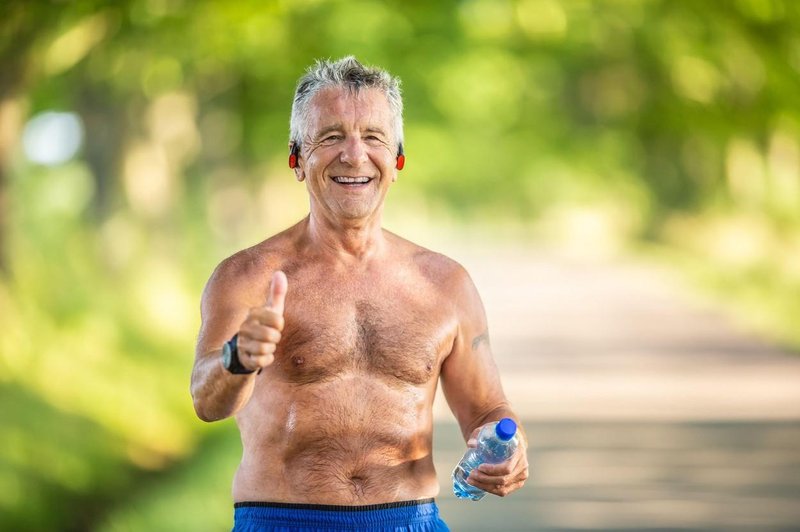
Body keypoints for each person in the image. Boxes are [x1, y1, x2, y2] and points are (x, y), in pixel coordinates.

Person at [190, 56, 529, 532]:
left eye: (373, 137)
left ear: (398, 162)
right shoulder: (247, 276)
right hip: (281, 520)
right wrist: (238, 357)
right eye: (330, 137)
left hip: (412, 520)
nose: (354, 155)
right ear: (296, 159)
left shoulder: (445, 284)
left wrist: (505, 445)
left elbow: (488, 410)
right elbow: (207, 402)